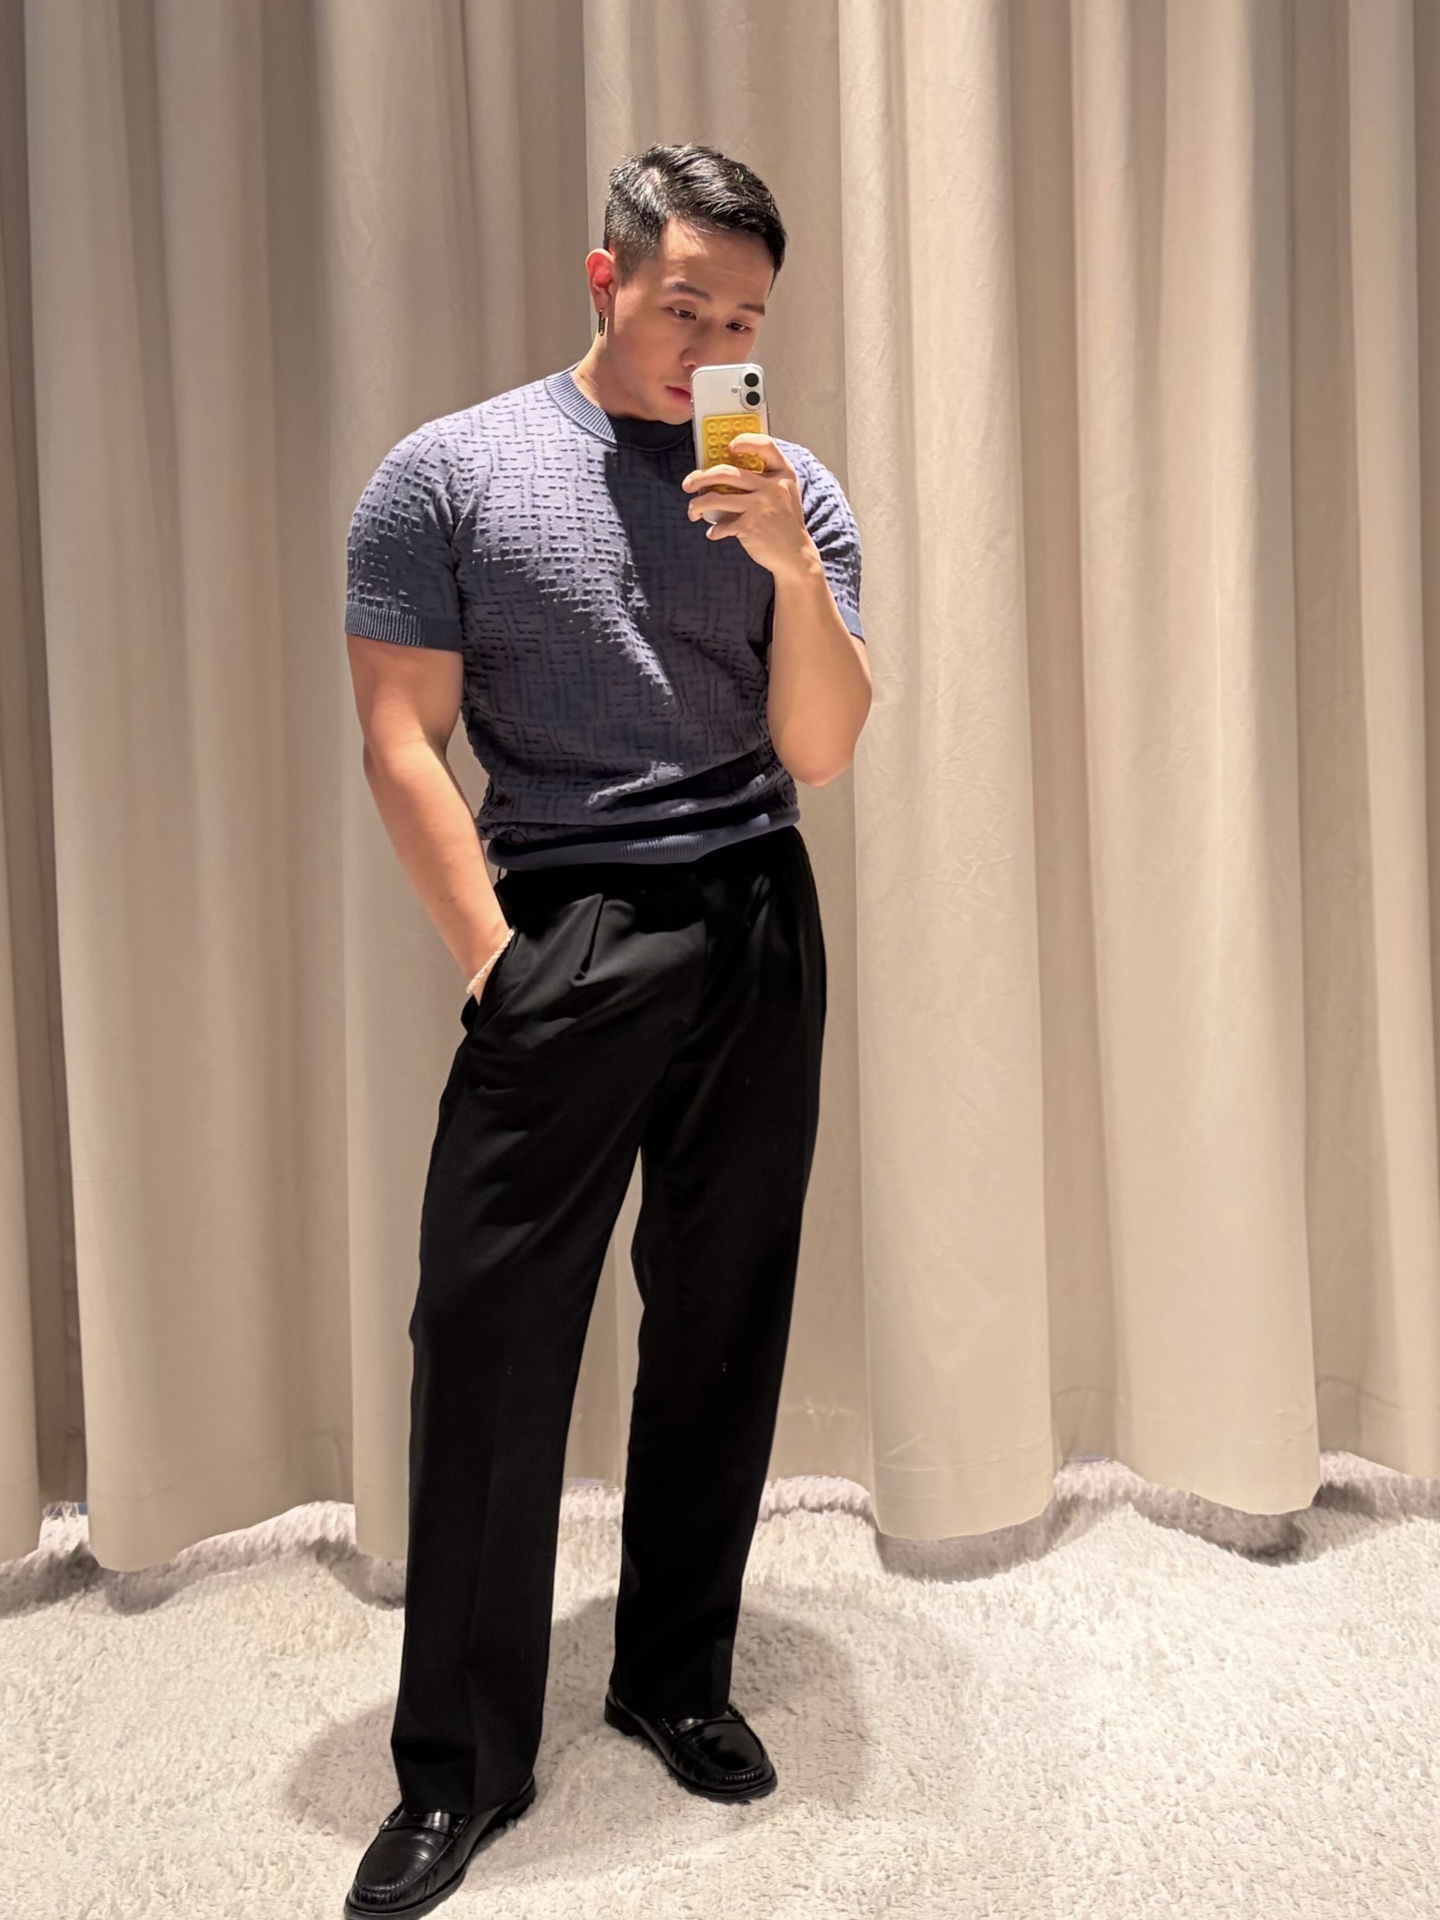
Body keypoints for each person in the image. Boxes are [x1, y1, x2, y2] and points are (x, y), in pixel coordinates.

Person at [340, 142, 869, 1918]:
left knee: (723, 1313)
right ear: (607, 275)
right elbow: (399, 738)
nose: (712, 344)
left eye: (746, 320)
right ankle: (458, 1765)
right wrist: (495, 964)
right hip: (563, 923)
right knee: (487, 1336)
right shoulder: (450, 476)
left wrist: (791, 567)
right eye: (685, 306)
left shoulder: (792, 489)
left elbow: (821, 749)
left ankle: (674, 1673)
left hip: (756, 920)